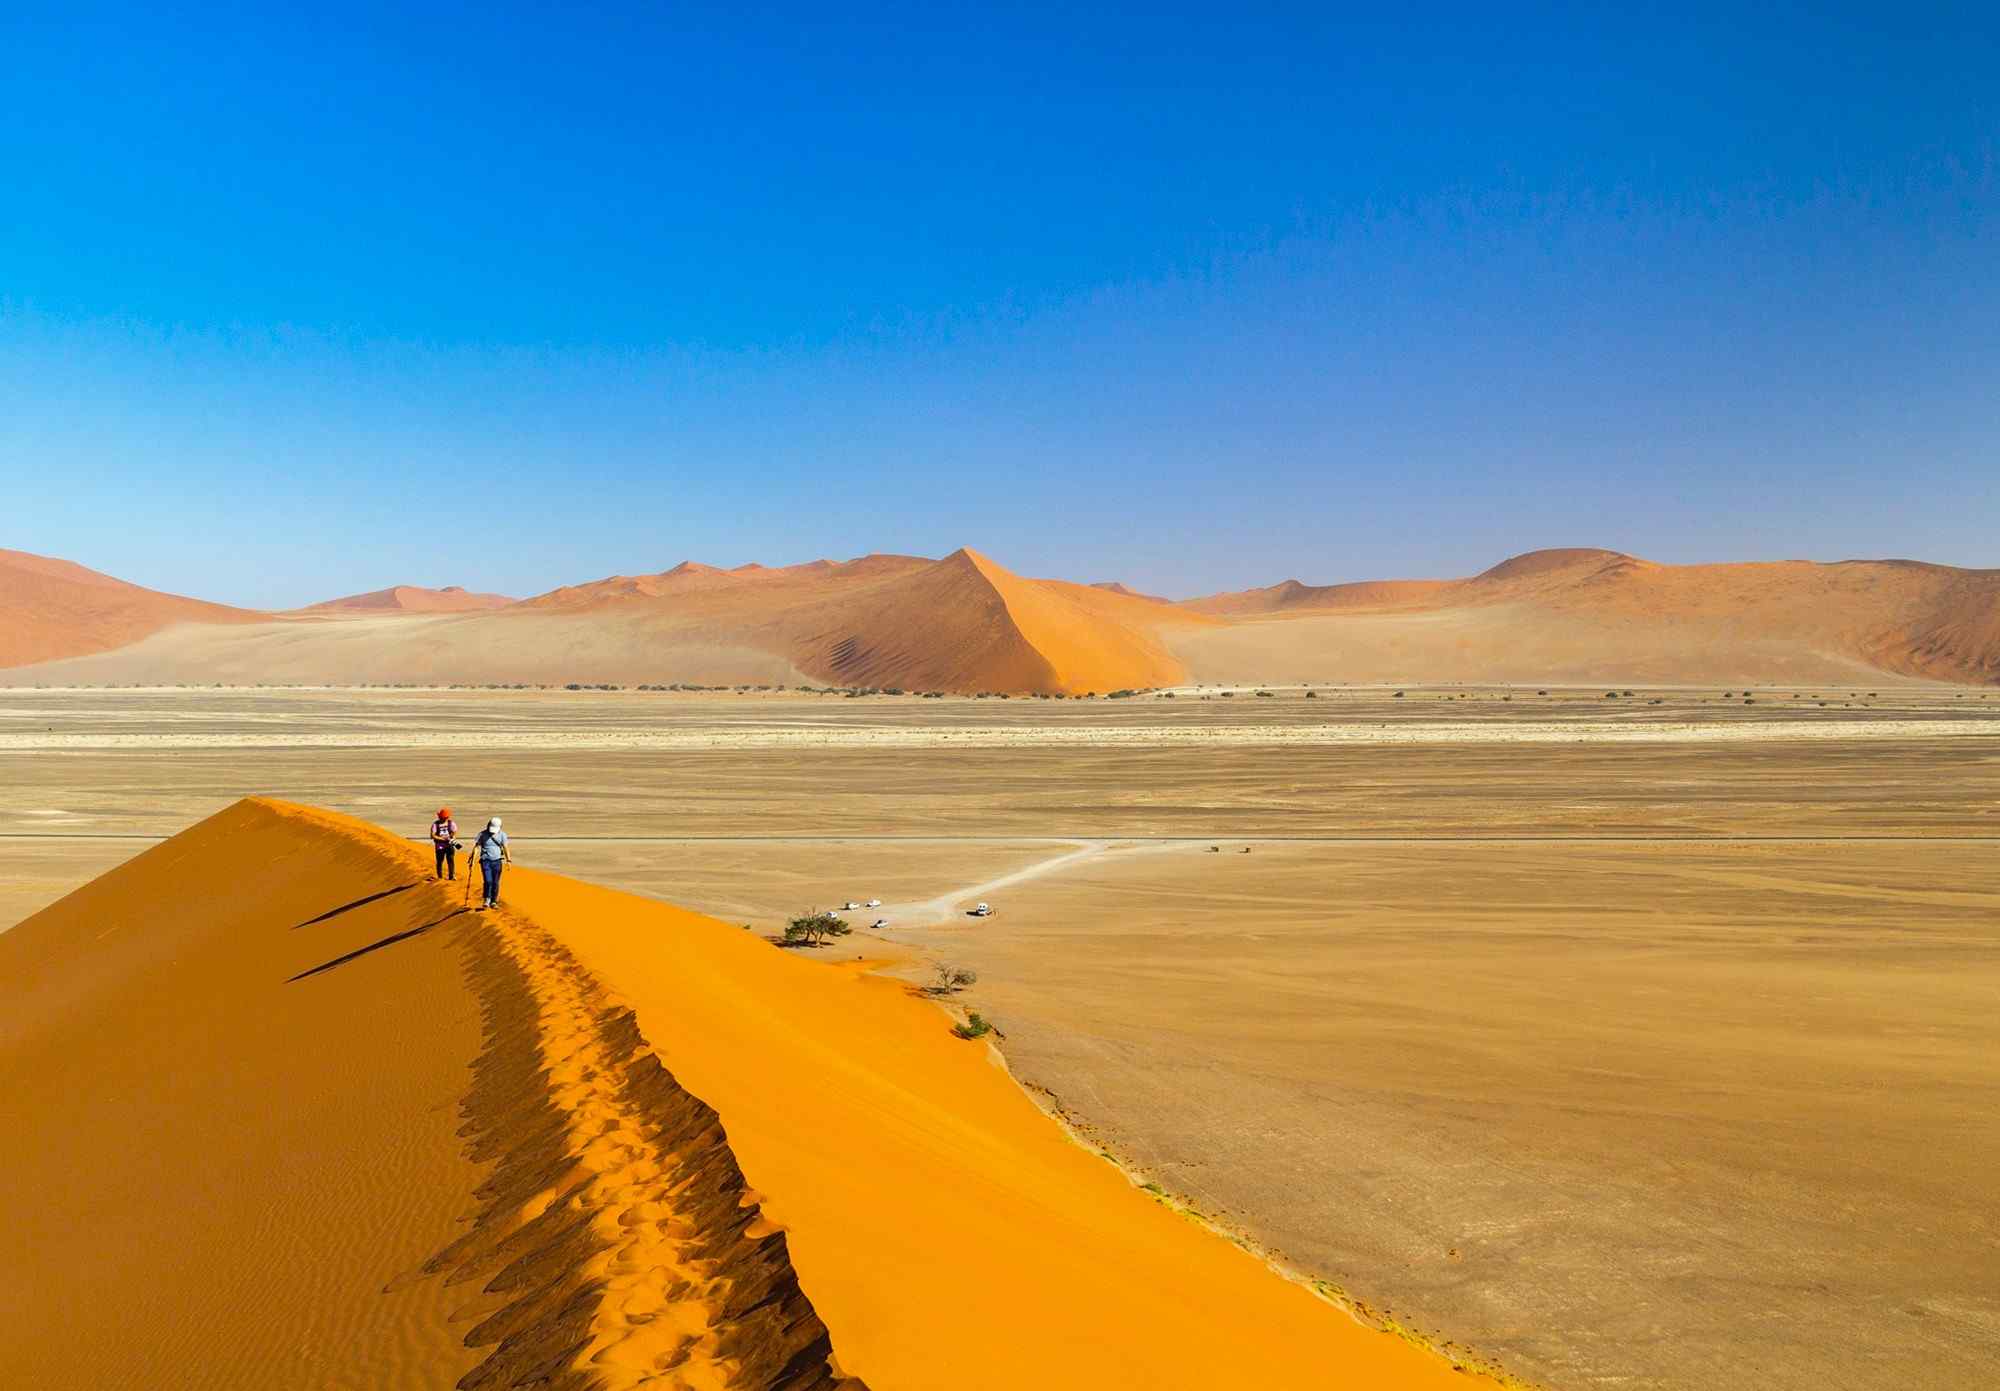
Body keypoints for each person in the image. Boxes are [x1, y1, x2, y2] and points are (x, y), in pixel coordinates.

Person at [472, 817, 510, 910]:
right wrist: (472, 860)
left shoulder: (502, 835)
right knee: (488, 881)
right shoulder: (482, 834)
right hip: (486, 861)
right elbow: (477, 847)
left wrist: (508, 860)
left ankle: (494, 901)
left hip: (497, 861)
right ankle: (486, 899)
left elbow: (505, 847)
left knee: (495, 882)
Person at [430, 807, 458, 880]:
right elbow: (432, 835)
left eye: (446, 817)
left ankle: (451, 876)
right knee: (440, 861)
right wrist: (442, 839)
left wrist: (451, 838)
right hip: (440, 845)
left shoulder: (451, 823)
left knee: (450, 860)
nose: (445, 818)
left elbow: (454, 832)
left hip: (449, 845)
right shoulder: (435, 824)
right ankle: (440, 877)